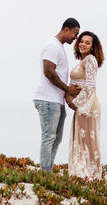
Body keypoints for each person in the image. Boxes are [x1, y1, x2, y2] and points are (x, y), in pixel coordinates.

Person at [33, 18, 82, 172]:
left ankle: (47, 171)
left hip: (55, 100)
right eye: (75, 33)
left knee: (57, 138)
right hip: (47, 99)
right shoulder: (52, 46)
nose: (76, 38)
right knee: (49, 137)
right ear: (66, 29)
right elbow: (48, 72)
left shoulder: (59, 47)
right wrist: (67, 89)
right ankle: (45, 174)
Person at [65, 31, 104, 180]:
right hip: (82, 106)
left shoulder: (90, 60)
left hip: (88, 107)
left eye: (88, 43)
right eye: (81, 41)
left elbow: (90, 87)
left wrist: (75, 103)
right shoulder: (83, 61)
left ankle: (90, 176)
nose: (83, 44)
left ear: (93, 47)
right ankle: (81, 174)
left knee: (88, 142)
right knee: (82, 141)